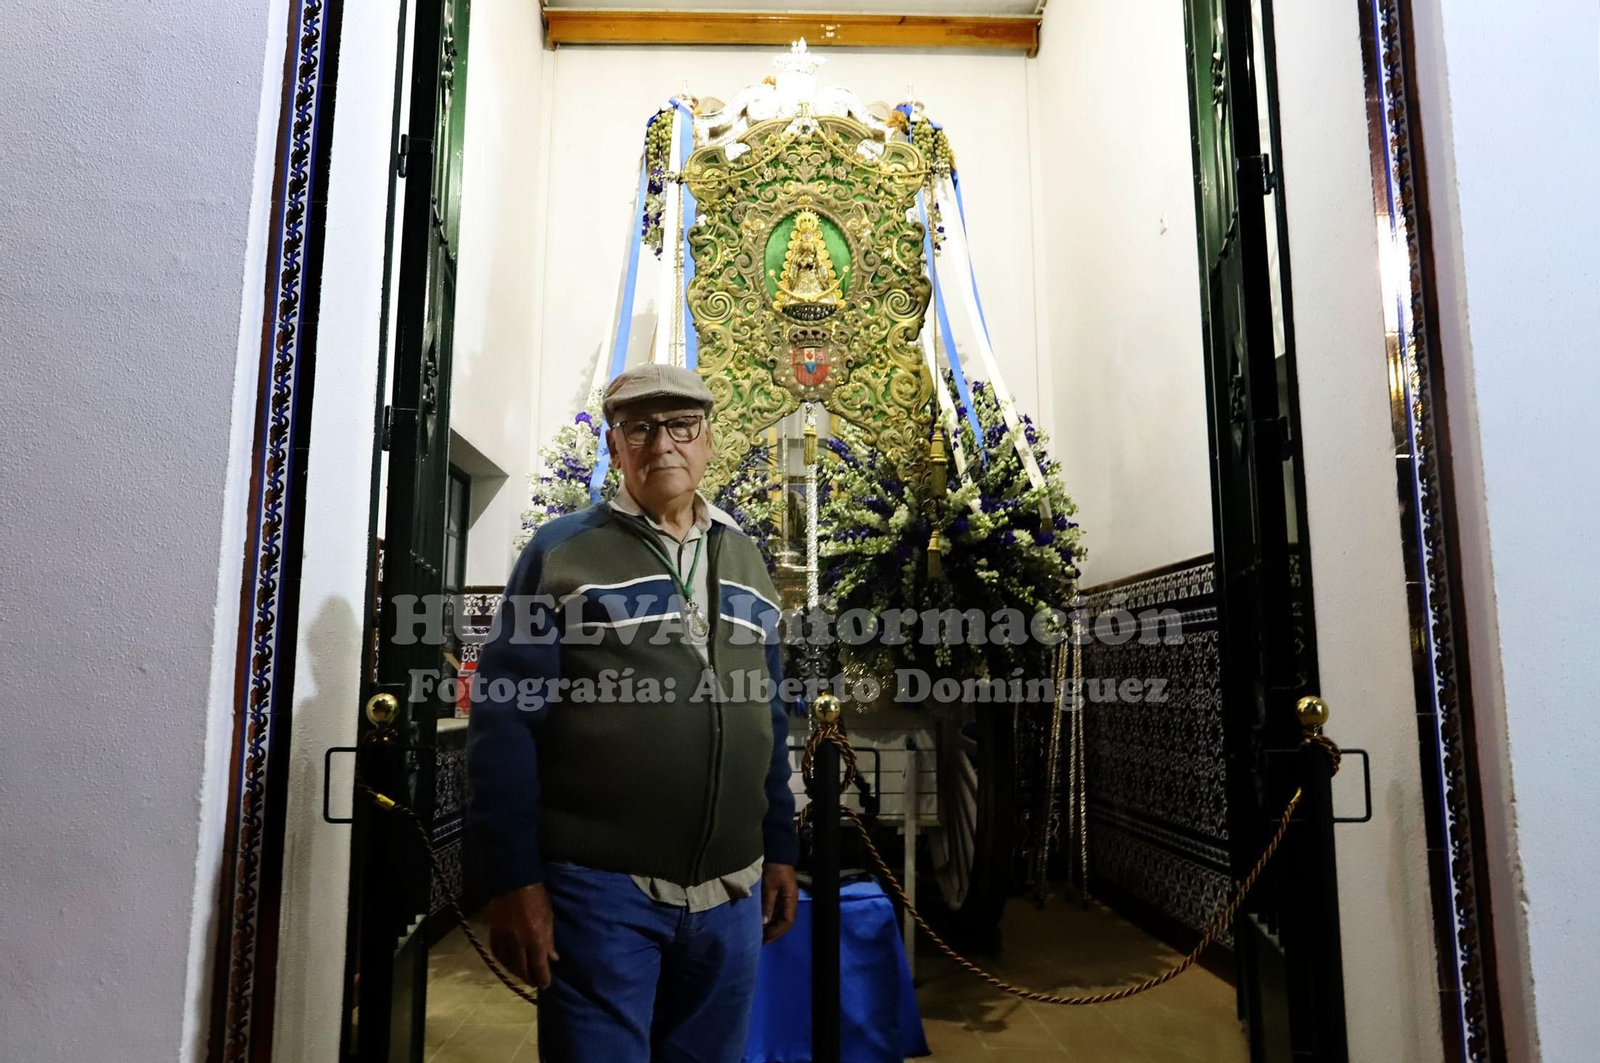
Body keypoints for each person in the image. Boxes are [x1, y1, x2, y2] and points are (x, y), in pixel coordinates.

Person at [467, 363, 800, 1063]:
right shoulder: (561, 553)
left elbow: (768, 713)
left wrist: (780, 846)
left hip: (732, 893)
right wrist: (512, 878)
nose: (663, 444)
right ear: (614, 447)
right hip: (600, 893)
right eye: (640, 428)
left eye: (682, 425)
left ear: (709, 441)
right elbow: (504, 722)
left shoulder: (746, 558)